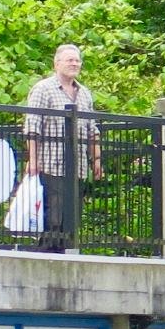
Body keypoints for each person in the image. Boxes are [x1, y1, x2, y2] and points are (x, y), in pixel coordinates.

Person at [23, 44, 104, 251]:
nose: (74, 64)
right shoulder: (44, 88)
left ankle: (69, 256)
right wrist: (33, 159)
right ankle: (48, 258)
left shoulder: (84, 93)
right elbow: (32, 126)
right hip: (51, 164)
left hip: (77, 167)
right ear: (56, 63)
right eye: (70, 60)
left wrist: (96, 160)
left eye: (77, 60)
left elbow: (92, 129)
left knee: (73, 219)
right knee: (54, 217)